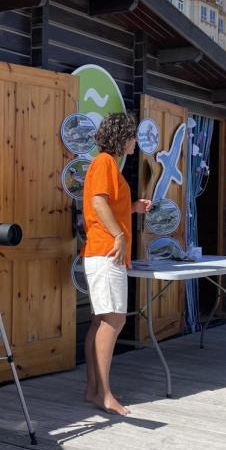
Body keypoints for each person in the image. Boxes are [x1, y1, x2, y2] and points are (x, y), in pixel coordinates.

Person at [81, 113, 150, 415]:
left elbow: (107, 204)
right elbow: (97, 203)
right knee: (113, 320)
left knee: (101, 321)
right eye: (133, 136)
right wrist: (119, 234)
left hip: (105, 252)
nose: (136, 141)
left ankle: (94, 389)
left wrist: (132, 208)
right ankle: (103, 393)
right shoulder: (104, 163)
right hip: (106, 253)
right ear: (122, 137)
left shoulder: (109, 165)